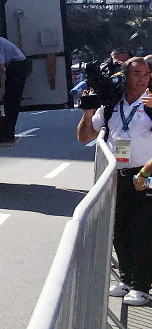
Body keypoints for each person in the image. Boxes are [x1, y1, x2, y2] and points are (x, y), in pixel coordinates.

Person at [78, 57, 152, 306]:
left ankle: (142, 286)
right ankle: (127, 280)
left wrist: (145, 175)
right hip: (116, 175)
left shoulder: (151, 103)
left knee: (143, 231)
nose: (141, 79)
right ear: (124, 76)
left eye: (146, 74)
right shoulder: (111, 105)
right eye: (136, 73)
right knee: (119, 230)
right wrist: (88, 112)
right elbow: (84, 136)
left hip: (146, 175)